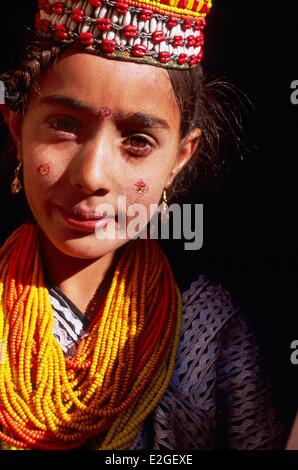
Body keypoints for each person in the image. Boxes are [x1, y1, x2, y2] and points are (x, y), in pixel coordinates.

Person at [0, 0, 286, 450]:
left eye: (137, 140)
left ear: (180, 158)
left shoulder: (208, 330)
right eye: (63, 124)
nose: (91, 175)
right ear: (16, 126)